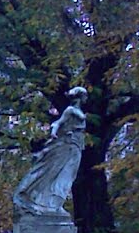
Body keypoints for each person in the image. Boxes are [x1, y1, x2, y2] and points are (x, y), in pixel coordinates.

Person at [12, 86, 87, 217]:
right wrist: (53, 133)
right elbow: (58, 123)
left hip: (76, 145)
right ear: (80, 97)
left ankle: (54, 204)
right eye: (85, 96)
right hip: (68, 144)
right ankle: (48, 203)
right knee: (59, 172)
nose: (87, 99)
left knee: (69, 175)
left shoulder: (76, 110)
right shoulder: (70, 110)